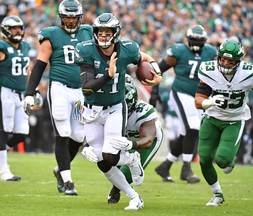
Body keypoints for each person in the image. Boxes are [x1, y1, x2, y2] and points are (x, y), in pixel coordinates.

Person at [74, 13, 162, 210]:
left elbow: (144, 58)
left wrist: (158, 73)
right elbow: (87, 87)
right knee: (101, 161)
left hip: (114, 108)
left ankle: (131, 159)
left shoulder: (127, 48)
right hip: (91, 110)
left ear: (115, 33)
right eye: (100, 32)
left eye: (107, 32)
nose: (103, 36)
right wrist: (108, 74)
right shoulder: (85, 50)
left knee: (110, 156)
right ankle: (134, 195)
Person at [23, 0, 93, 195]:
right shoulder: (51, 34)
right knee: (62, 132)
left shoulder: (89, 32)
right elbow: (39, 65)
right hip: (60, 90)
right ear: (61, 18)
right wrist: (30, 92)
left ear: (80, 17)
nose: (71, 21)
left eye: (74, 17)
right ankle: (68, 181)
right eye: (67, 17)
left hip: (80, 91)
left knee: (79, 135)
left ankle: (59, 170)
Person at [194, 39, 253, 206]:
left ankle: (229, 157)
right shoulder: (209, 71)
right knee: (204, 159)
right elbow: (198, 101)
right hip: (212, 118)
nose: (225, 63)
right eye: (223, 59)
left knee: (222, 160)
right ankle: (217, 193)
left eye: (230, 61)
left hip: (234, 120)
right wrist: (211, 102)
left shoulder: (247, 73)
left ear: (239, 62)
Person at [152, 25, 217, 183]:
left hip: (199, 96)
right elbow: (158, 69)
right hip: (181, 93)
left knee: (185, 133)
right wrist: (155, 91)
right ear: (188, 38)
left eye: (199, 40)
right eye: (193, 39)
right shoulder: (179, 51)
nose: (195, 43)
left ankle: (165, 166)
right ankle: (186, 168)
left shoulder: (210, 52)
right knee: (193, 127)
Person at [107, 81, 163, 204]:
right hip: (124, 140)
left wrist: (131, 145)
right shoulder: (109, 110)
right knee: (106, 162)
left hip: (144, 141)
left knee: (127, 174)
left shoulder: (143, 111)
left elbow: (148, 140)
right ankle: (118, 186)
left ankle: (117, 188)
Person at [0, 15, 31, 181]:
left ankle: (1, 151)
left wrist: (33, 91)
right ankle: (4, 171)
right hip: (5, 93)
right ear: (6, 30)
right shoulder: (2, 47)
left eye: (19, 28)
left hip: (21, 94)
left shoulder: (25, 46)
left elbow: (28, 71)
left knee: (22, 133)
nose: (18, 31)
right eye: (14, 29)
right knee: (4, 131)